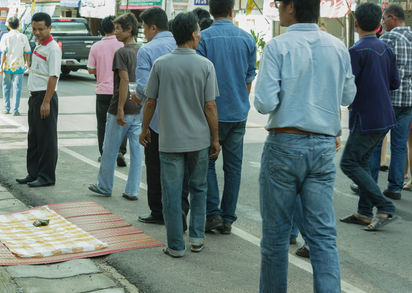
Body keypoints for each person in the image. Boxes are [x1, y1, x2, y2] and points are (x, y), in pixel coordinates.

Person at [253, 0, 356, 290]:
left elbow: (264, 102)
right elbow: (348, 95)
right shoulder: (337, 46)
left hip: (284, 143)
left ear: (292, 8)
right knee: (323, 236)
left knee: (275, 236)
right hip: (323, 146)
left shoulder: (278, 46)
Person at [141, 12, 220, 257]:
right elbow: (210, 106)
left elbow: (150, 101)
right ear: (192, 34)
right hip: (198, 140)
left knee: (172, 194)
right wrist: (215, 138)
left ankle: (175, 245)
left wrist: (145, 129)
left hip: (170, 141)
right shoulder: (205, 65)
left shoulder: (161, 64)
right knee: (199, 189)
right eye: (198, 30)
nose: (199, 34)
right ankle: (196, 238)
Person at [197, 0, 257, 234]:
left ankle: (213, 215)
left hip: (211, 113)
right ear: (232, 10)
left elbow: (199, 79)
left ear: (211, 11)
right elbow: (249, 77)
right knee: (233, 168)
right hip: (238, 113)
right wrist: (240, 100)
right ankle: (229, 218)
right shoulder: (247, 38)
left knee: (208, 163)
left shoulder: (204, 38)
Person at [340, 2, 399, 231]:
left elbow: (348, 88)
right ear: (379, 25)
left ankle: (384, 205)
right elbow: (395, 82)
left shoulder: (356, 51)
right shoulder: (386, 49)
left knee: (349, 163)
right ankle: (364, 211)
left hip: (366, 116)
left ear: (356, 24)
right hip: (385, 116)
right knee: (362, 162)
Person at [88, 13, 142, 200]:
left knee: (109, 148)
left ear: (129, 30)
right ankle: (132, 190)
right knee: (136, 151)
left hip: (121, 106)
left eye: (119, 28)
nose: (115, 32)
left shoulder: (122, 52)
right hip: (138, 106)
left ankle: (105, 186)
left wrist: (120, 109)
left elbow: (124, 81)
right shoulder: (141, 50)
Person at [134, 7, 177, 225]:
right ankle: (178, 212)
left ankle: (159, 211)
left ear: (153, 27)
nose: (144, 32)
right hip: (183, 120)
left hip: (156, 118)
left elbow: (144, 88)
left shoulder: (147, 50)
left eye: (144, 28)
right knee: (180, 169)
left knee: (155, 166)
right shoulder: (184, 45)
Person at [16, 12, 62, 187]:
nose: (37, 32)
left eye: (41, 29)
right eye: (34, 29)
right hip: (35, 97)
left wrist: (46, 102)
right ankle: (33, 173)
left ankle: (46, 176)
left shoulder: (53, 48)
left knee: (47, 140)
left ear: (49, 28)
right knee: (34, 137)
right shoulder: (38, 45)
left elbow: (53, 76)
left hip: (45, 97)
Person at [371, 4, 412, 201]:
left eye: (384, 18)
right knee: (399, 145)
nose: (382, 23)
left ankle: (369, 185)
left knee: (375, 143)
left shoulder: (388, 38)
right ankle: (395, 187)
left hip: (388, 99)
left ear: (393, 18)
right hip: (409, 101)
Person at [87, 15, 128, 166]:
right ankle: (120, 151)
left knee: (102, 123)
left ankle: (104, 153)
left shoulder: (96, 46)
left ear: (102, 29)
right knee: (122, 121)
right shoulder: (123, 45)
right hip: (121, 91)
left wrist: (101, 68)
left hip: (103, 91)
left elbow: (91, 70)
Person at [0, 16, 31, 116]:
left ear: (8, 26)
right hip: (19, 67)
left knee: (6, 87)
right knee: (17, 88)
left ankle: (6, 108)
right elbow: (27, 51)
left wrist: (1, 66)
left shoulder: (5, 37)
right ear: (18, 25)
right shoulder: (23, 37)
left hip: (7, 66)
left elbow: (3, 53)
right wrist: (27, 63)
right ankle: (15, 110)